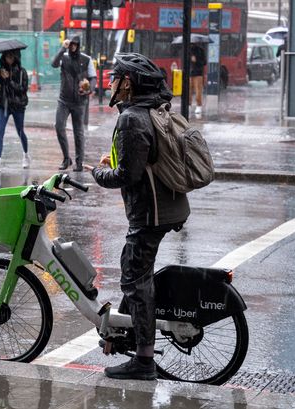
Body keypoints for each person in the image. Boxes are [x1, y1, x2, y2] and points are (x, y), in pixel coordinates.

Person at [84, 53, 190, 380]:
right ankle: (125, 338)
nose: (110, 83)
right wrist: (115, 163)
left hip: (148, 213)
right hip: (165, 206)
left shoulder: (132, 117)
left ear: (127, 83)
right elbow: (141, 161)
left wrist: (100, 173)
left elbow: (126, 176)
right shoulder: (152, 110)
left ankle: (144, 360)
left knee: (134, 278)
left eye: (115, 78)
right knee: (133, 270)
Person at [51, 36, 96, 171]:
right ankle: (66, 159)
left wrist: (89, 90)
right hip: (64, 100)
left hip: (79, 101)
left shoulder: (86, 59)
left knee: (78, 132)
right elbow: (54, 63)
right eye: (71, 45)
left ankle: (79, 162)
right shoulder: (63, 57)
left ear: (79, 45)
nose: (73, 47)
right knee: (59, 126)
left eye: (75, 45)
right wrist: (62, 48)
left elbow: (93, 77)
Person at [0, 50, 31, 173]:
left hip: (18, 106)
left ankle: (25, 154)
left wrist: (8, 80)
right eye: (7, 56)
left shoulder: (22, 72)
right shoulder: (2, 70)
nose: (9, 59)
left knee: (20, 131)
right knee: (0, 132)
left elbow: (22, 90)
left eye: (11, 56)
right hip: (4, 105)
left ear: (16, 57)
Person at [190, 43, 206, 114]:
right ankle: (189, 104)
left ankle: (198, 106)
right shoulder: (188, 50)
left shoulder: (200, 50)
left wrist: (196, 60)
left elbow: (204, 62)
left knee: (198, 90)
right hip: (189, 73)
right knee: (188, 91)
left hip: (198, 73)